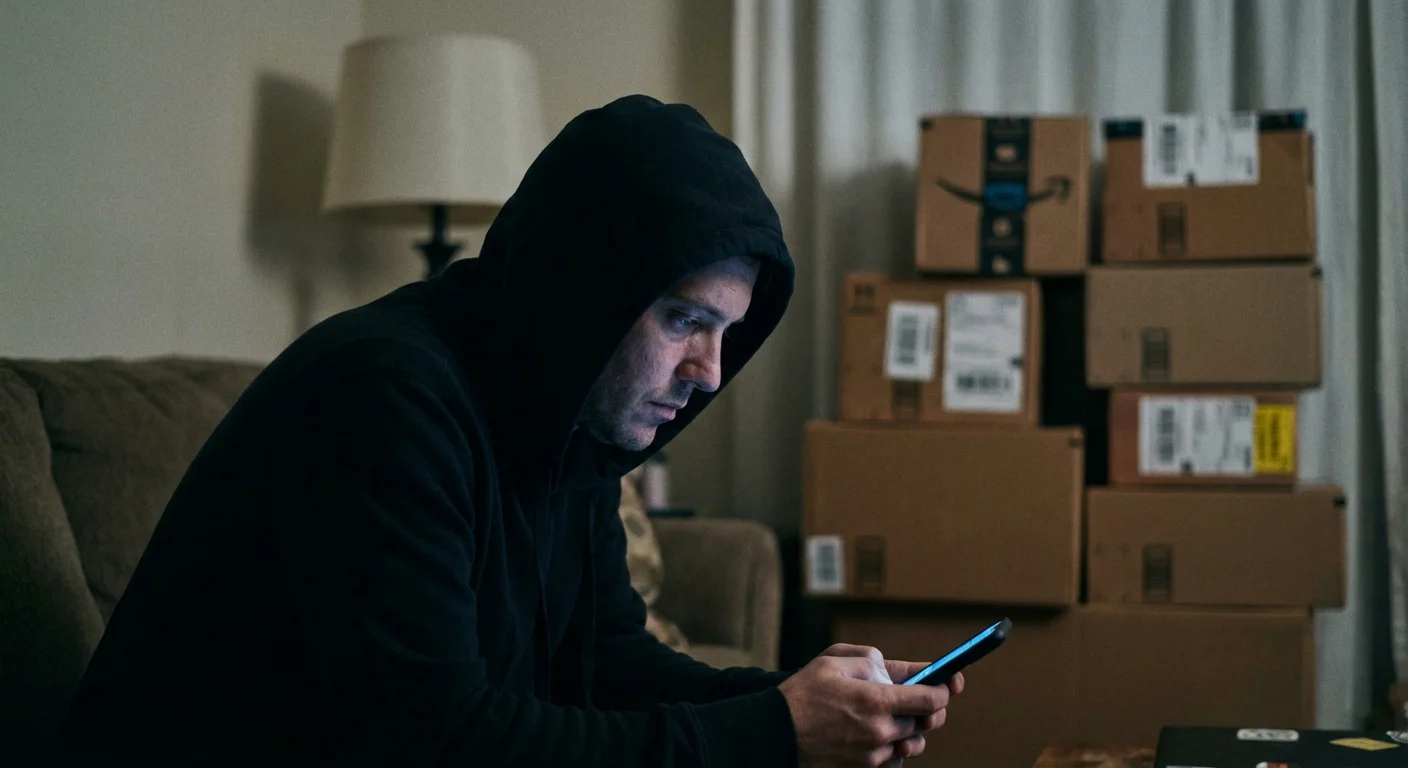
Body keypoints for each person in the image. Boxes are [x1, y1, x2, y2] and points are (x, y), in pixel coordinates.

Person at [60, 95, 961, 766]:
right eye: (685, 320)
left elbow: (602, 661)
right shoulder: (384, 399)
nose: (710, 373)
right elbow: (437, 742)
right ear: (586, 291)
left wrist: (806, 699)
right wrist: (772, 733)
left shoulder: (569, 422)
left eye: (727, 333)